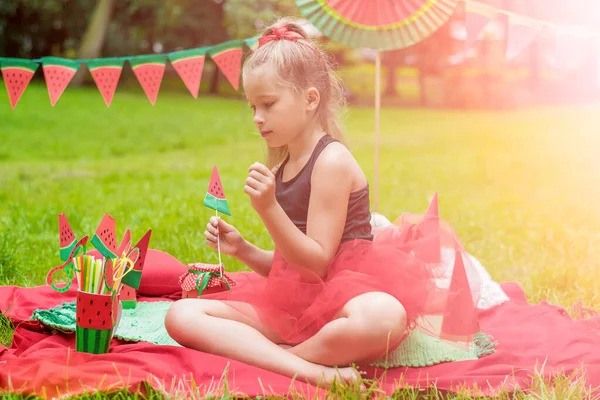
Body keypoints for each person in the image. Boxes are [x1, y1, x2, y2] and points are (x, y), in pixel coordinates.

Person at [165, 17, 482, 388]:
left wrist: (268, 209)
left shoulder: (330, 160)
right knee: (181, 315)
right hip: (296, 310)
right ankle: (312, 369)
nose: (257, 118)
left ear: (310, 99)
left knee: (382, 317)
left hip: (348, 299)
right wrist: (245, 251)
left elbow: (318, 262)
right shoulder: (284, 165)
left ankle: (278, 359)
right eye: (252, 106)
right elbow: (292, 270)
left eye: (267, 104)